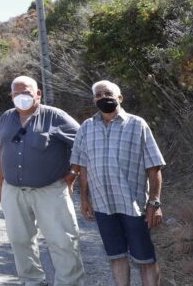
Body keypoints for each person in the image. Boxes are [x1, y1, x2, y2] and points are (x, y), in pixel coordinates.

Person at [0, 75, 85, 286]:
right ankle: (32, 281)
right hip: (13, 191)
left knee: (63, 242)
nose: (21, 97)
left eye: (26, 92)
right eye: (16, 93)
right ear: (11, 96)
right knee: (19, 241)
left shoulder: (55, 116)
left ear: (38, 94)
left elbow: (84, 143)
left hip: (50, 191)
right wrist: (0, 184)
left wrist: (73, 174)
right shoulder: (6, 117)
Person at [71, 80, 166, 286]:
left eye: (108, 93)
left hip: (133, 206)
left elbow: (154, 167)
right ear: (93, 100)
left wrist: (154, 203)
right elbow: (83, 166)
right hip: (103, 205)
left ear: (120, 97)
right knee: (116, 257)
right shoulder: (86, 128)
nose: (103, 97)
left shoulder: (137, 124)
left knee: (145, 259)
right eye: (98, 95)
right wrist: (85, 199)